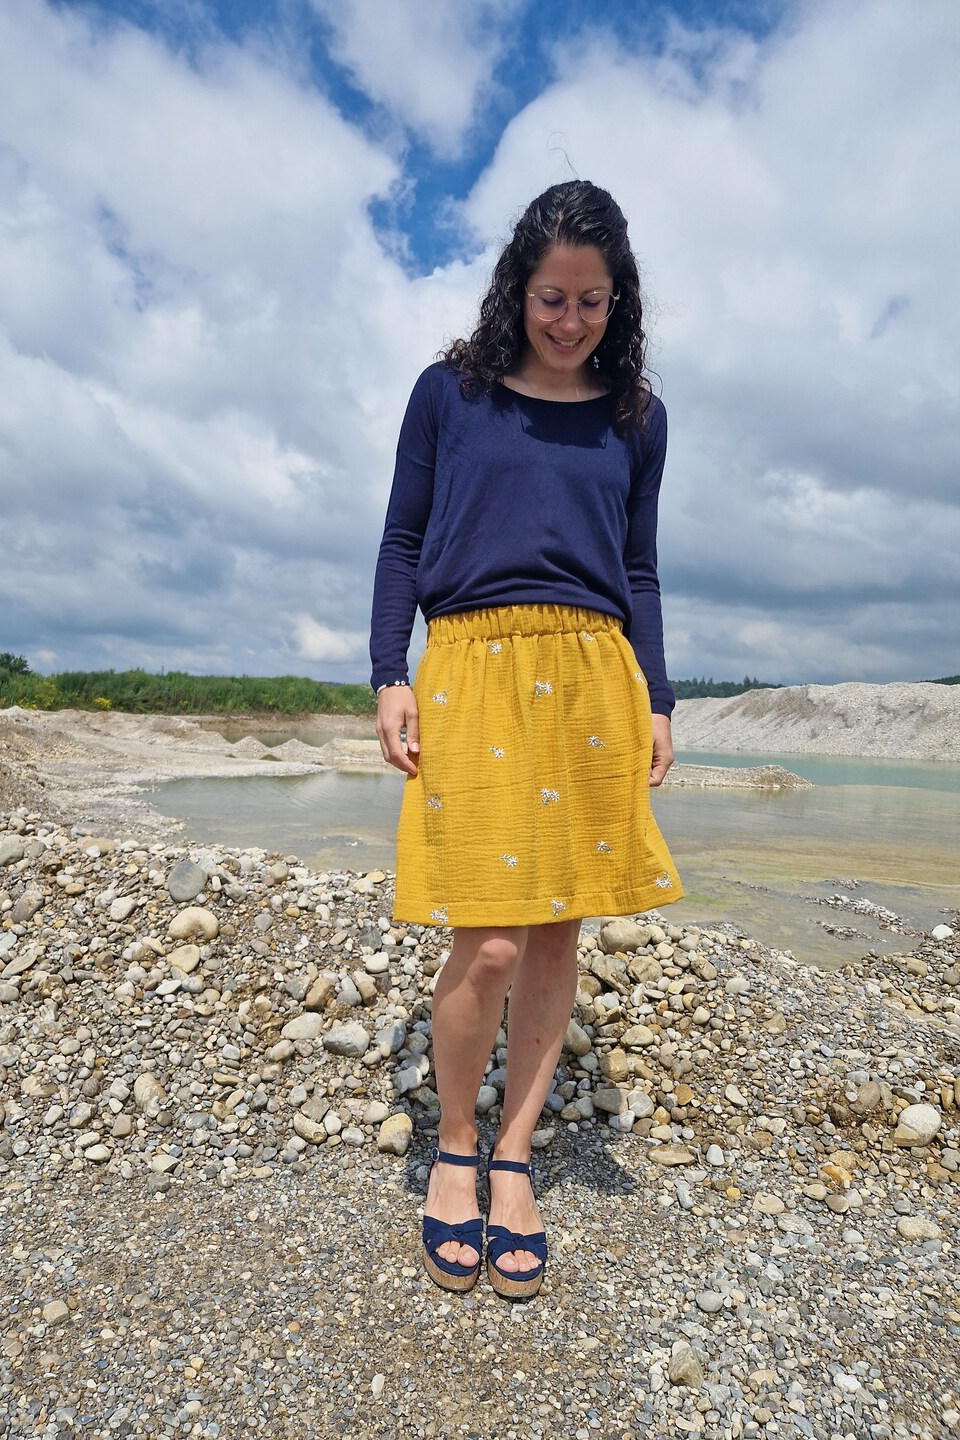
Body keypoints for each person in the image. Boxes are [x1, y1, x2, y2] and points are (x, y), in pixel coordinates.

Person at [368, 180, 683, 1300]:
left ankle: (514, 1159)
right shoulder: (449, 394)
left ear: (617, 299)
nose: (569, 320)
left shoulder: (634, 416)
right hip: (471, 666)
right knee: (488, 938)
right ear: (520, 285)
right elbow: (403, 535)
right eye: (553, 296)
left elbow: (638, 567)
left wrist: (658, 697)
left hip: (593, 675)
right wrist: (388, 673)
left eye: (592, 301)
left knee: (556, 935)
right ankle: (455, 1142)